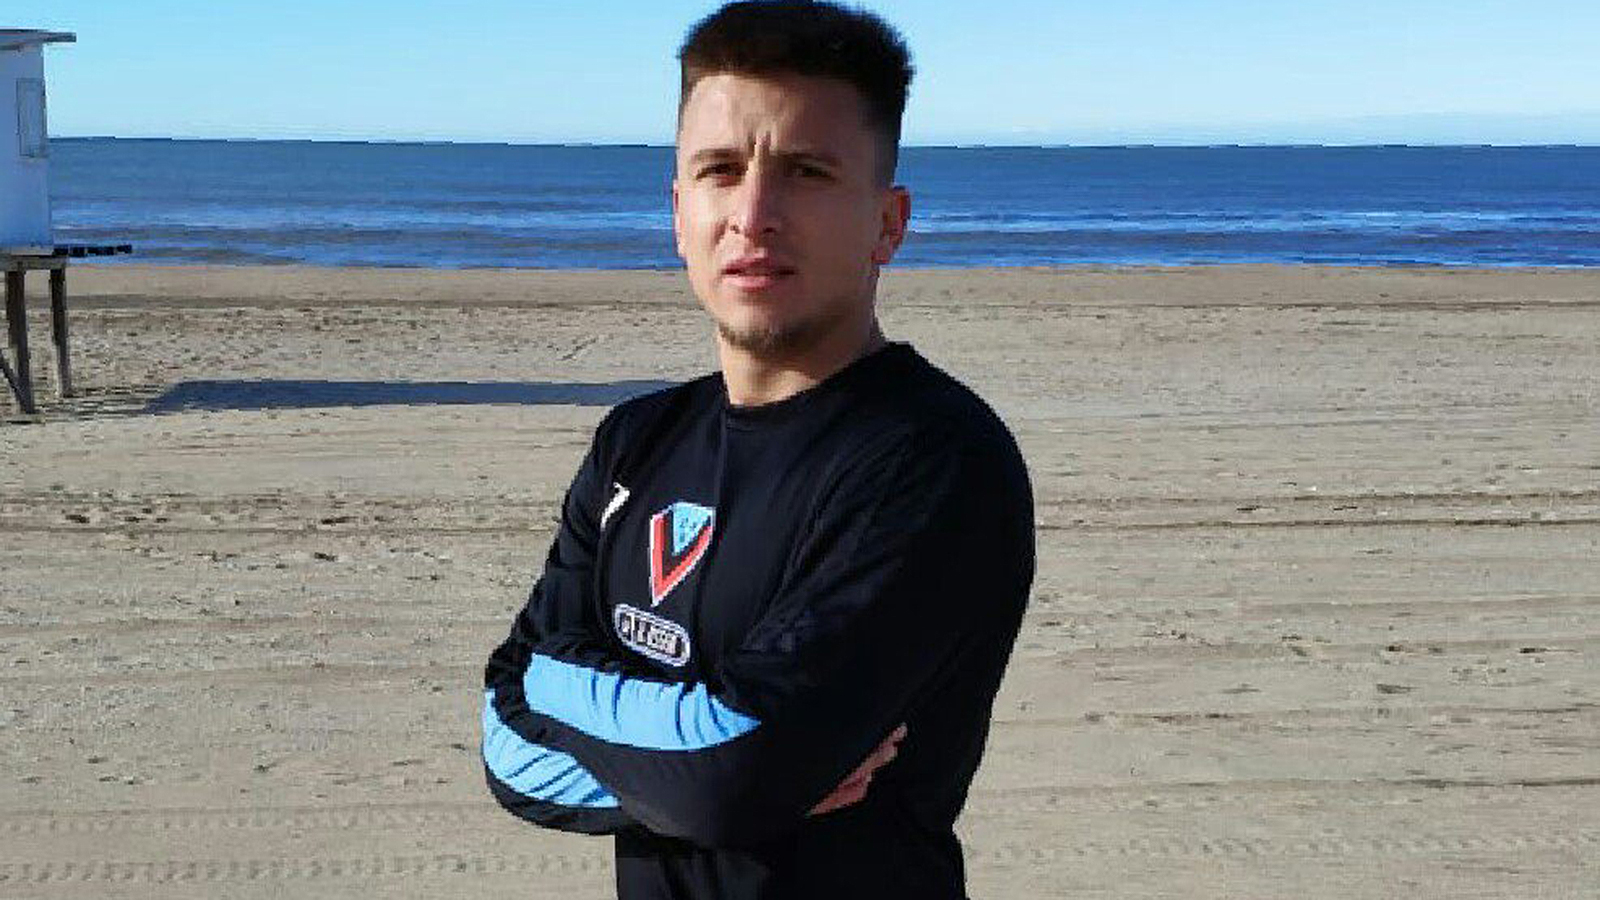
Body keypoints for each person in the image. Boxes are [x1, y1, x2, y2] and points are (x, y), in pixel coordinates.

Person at [480, 2, 1035, 897]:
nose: (753, 214)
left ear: (888, 222)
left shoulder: (933, 460)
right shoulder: (636, 441)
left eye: (807, 172)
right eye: (719, 170)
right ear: (678, 213)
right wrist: (702, 767)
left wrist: (564, 689)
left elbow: (730, 776)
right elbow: (506, 746)